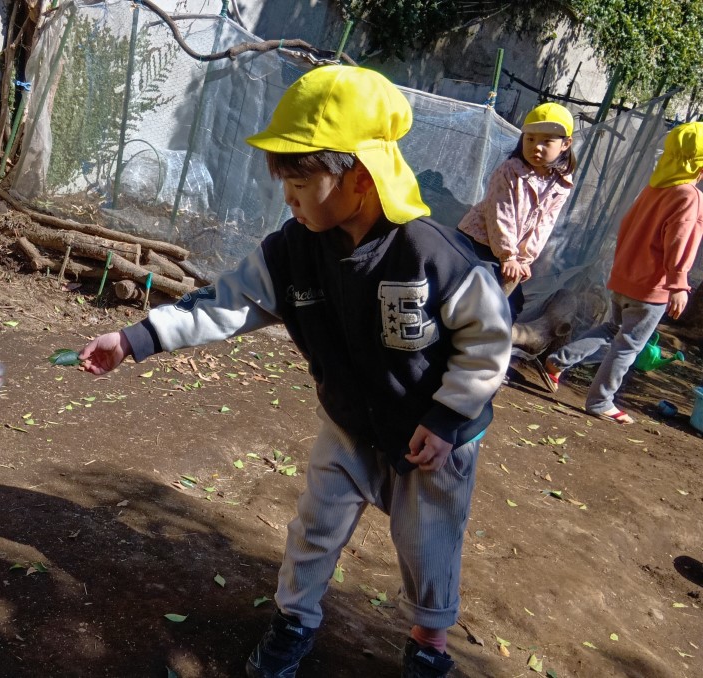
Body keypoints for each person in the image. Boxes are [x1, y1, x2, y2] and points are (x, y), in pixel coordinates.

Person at [77, 65, 511, 678]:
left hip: (432, 441)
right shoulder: (292, 252)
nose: (288, 196)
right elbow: (224, 305)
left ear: (359, 176)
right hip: (348, 425)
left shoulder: (434, 255)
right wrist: (135, 338)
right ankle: (294, 620)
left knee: (430, 543)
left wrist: (447, 417)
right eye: (284, 180)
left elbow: (489, 340)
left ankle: (429, 643)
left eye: (301, 181)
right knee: (314, 527)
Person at [540, 121, 703, 423]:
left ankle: (558, 360)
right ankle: (601, 401)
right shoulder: (688, 195)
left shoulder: (655, 188)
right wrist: (679, 283)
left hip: (623, 280)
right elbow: (679, 241)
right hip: (651, 288)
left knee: (613, 330)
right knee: (628, 345)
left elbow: (627, 225)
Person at [457, 102, 576, 319]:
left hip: (509, 253)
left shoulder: (561, 184)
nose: (536, 147)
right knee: (474, 292)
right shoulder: (510, 171)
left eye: (546, 141)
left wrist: (523, 260)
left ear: (566, 144)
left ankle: (486, 340)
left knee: (513, 305)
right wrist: (508, 256)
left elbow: (544, 226)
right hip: (478, 240)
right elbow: (501, 215)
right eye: (530, 139)